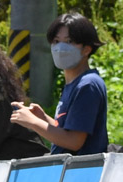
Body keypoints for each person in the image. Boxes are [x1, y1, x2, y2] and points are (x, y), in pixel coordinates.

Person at [9, 12, 109, 155]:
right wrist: (44, 119)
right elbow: (66, 132)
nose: (60, 48)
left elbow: (74, 142)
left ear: (87, 49)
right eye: (56, 41)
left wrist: (33, 122)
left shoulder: (88, 85)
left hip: (81, 173)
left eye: (68, 42)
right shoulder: (74, 84)